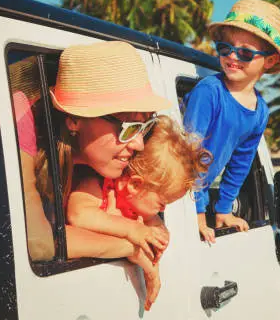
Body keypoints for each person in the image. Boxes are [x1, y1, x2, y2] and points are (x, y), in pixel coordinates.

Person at [11, 40, 171, 310]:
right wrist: (128, 246)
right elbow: (38, 242)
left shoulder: (99, 165)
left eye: (145, 127)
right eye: (128, 127)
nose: (139, 144)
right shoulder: (19, 117)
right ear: (73, 119)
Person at [183, 0, 280, 243]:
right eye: (225, 48)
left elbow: (241, 162)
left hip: (196, 192)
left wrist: (224, 209)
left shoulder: (260, 111)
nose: (232, 56)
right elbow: (187, 153)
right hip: (178, 191)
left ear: (269, 60)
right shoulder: (210, 91)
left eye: (245, 53)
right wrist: (196, 212)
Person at [66, 115, 211, 280]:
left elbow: (157, 229)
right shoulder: (100, 186)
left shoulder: (139, 208)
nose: (163, 210)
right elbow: (79, 215)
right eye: (162, 203)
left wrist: (159, 239)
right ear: (135, 185)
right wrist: (132, 229)